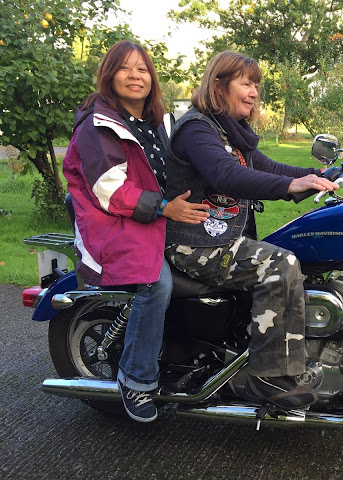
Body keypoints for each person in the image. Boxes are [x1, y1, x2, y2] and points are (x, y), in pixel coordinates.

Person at [164, 51, 338, 409]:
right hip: (195, 243)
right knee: (280, 264)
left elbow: (269, 167)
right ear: (218, 86)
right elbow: (226, 174)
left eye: (256, 85)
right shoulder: (197, 128)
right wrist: (290, 186)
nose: (255, 92)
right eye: (246, 83)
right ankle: (268, 378)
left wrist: (319, 175)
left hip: (220, 238)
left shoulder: (229, 132)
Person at [62, 41, 210, 422]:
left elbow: (177, 167)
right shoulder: (98, 125)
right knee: (156, 283)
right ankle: (136, 379)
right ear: (109, 75)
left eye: (142, 69)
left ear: (151, 78)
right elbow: (110, 189)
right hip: (112, 220)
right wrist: (164, 207)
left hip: (152, 214)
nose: (135, 76)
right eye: (125, 68)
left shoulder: (158, 121)